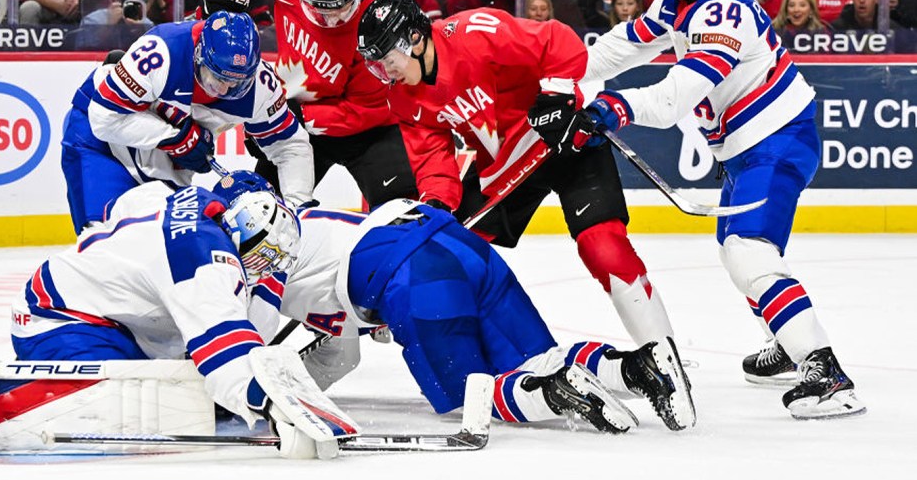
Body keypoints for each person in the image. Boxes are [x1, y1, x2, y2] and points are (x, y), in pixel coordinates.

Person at [571, 0, 865, 420]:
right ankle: (790, 341)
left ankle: (826, 374)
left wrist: (616, 107)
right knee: (740, 251)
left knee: (748, 251)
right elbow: (622, 46)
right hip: (749, 148)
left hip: (777, 140)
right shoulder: (679, 0)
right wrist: (554, 66)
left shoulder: (724, 10)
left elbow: (675, 98)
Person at [212, 173, 696, 432]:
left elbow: (252, 343)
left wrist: (254, 396)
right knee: (538, 359)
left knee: (472, 395)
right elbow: (345, 343)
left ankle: (556, 391)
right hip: (451, 239)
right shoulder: (308, 216)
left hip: (412, 277)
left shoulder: (264, 272)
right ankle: (642, 366)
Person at [355, 0, 679, 350]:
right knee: (448, 254)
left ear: (415, 39)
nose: (386, 72)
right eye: (376, 65)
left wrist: (557, 95)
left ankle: (662, 355)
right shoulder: (403, 97)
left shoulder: (471, 33)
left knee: (602, 245)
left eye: (387, 59)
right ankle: (477, 361)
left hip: (563, 140)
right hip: (503, 168)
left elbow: (558, 41)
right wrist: (435, 208)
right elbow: (433, 163)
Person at [0, 178, 332, 459]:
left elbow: (120, 208)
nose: (265, 268)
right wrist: (272, 406)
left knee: (182, 393)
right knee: (134, 409)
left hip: (98, 308)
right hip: (58, 317)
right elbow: (223, 350)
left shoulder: (189, 200)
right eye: (263, 253)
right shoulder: (203, 258)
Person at [202, 0, 419, 209]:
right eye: (315, 10)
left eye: (337, 11)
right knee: (263, 211)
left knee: (404, 211)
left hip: (371, 131)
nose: (326, 20)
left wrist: (294, 116)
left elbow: (369, 110)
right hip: (302, 123)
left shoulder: (381, 24)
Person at [61, 9, 314, 232]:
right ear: (199, 55)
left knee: (163, 250)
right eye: (216, 77)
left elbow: (290, 145)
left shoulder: (261, 87)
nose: (223, 90)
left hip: (163, 167)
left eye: (237, 82)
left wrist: (297, 208)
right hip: (102, 146)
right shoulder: (161, 51)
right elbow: (104, 119)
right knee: (104, 241)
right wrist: (175, 138)